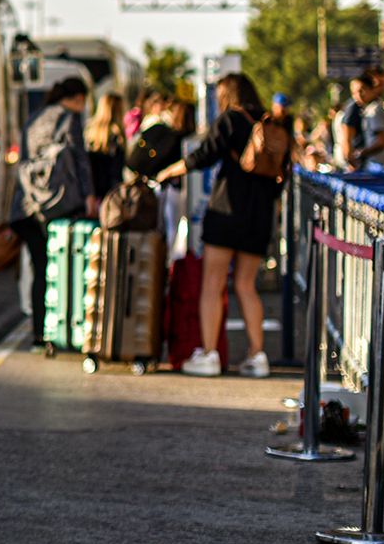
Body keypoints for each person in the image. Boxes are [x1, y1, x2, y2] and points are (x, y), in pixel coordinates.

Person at [153, 72, 279, 378]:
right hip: (259, 215)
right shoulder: (271, 123)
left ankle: (209, 355)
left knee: (213, 284)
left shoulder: (231, 120)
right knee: (247, 286)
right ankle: (257, 356)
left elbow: (204, 155)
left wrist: (169, 171)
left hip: (226, 211)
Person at [10, 75, 96, 343]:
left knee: (39, 268)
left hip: (25, 206)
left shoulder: (34, 119)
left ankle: (39, 332)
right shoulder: (70, 119)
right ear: (78, 98)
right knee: (61, 268)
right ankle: (64, 330)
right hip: (58, 206)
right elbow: (80, 160)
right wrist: (90, 195)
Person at [85, 91, 125, 201]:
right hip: (109, 192)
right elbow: (116, 170)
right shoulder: (117, 135)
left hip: (92, 190)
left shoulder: (90, 132)